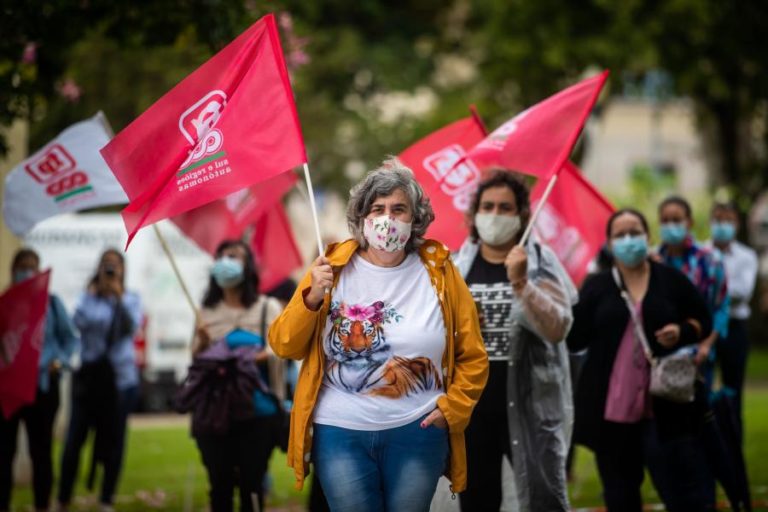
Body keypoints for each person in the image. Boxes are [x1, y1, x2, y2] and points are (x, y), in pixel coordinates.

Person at [268, 158, 489, 512]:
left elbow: (473, 355)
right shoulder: (332, 268)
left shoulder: (442, 273)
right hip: (339, 432)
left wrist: (454, 409)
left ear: (415, 218)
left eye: (399, 209)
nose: (388, 218)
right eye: (378, 208)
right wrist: (310, 297)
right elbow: (283, 344)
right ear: (362, 218)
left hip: (419, 430)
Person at [568, 208, 713, 511]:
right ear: (609, 243)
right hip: (611, 414)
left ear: (647, 236)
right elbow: (574, 338)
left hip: (666, 407)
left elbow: (703, 320)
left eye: (635, 232)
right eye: (620, 235)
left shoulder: (671, 280)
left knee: (680, 491)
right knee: (620, 495)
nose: (629, 240)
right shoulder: (598, 286)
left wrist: (682, 330)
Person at [452, 170, 577, 512]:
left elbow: (558, 327)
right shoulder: (456, 267)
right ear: (474, 214)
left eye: (505, 208)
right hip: (473, 410)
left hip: (531, 405)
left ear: (522, 215)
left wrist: (522, 284)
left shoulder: (540, 261)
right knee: (477, 500)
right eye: (487, 206)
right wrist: (459, 326)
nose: (494, 215)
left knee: (543, 497)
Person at [192, 239, 285, 512]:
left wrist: (257, 355)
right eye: (222, 256)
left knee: (252, 485)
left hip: (258, 412)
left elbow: (282, 348)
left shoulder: (267, 308)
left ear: (248, 267)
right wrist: (202, 343)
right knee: (219, 486)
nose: (226, 262)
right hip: (214, 414)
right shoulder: (205, 312)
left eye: (235, 257)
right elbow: (195, 361)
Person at [57, 249, 142, 512]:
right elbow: (78, 323)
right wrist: (97, 294)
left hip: (120, 381)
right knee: (74, 440)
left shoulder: (131, 299)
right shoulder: (87, 297)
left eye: (115, 266)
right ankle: (63, 497)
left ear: (124, 270)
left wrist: (117, 299)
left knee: (114, 441)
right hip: (90, 380)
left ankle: (106, 498)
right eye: (106, 265)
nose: (110, 270)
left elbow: (130, 328)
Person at [0, 248, 78, 512]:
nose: (27, 272)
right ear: (13, 270)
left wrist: (60, 361)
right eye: (22, 266)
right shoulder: (6, 303)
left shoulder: (51, 303)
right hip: (8, 390)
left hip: (43, 386)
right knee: (4, 453)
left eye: (32, 267)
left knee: (41, 452)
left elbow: (70, 339)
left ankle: (42, 505)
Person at [657, 196, 729, 385]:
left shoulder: (710, 261)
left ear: (689, 222)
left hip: (699, 354)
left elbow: (721, 306)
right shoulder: (653, 262)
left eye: (676, 220)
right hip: (660, 354)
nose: (670, 225)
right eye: (665, 221)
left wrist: (706, 344)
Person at [707, 201, 758, 441]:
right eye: (718, 220)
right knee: (701, 391)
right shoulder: (701, 253)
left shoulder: (746, 256)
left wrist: (710, 289)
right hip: (705, 329)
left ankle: (733, 445)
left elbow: (742, 293)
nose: (722, 226)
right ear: (710, 222)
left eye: (728, 221)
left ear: (737, 224)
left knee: (733, 392)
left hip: (734, 329)